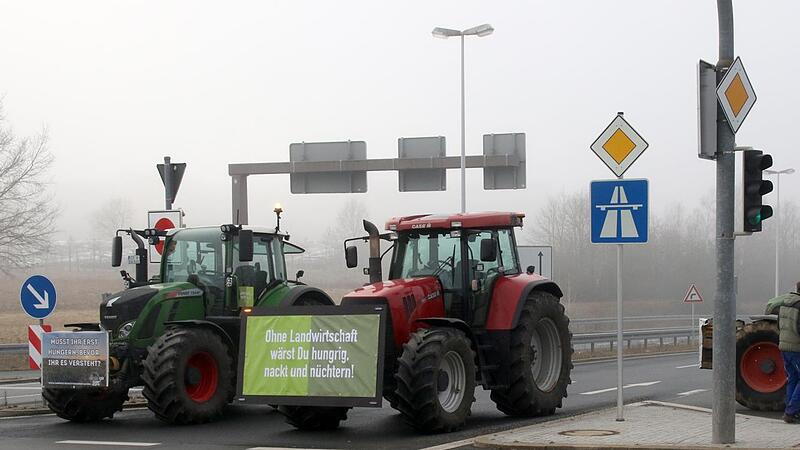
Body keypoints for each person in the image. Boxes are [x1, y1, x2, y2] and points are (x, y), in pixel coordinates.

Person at [769, 282, 800, 423]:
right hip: (796, 348)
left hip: (784, 346)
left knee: (793, 378)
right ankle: (791, 411)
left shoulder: (784, 304)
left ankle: (791, 411)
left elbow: (779, 325)